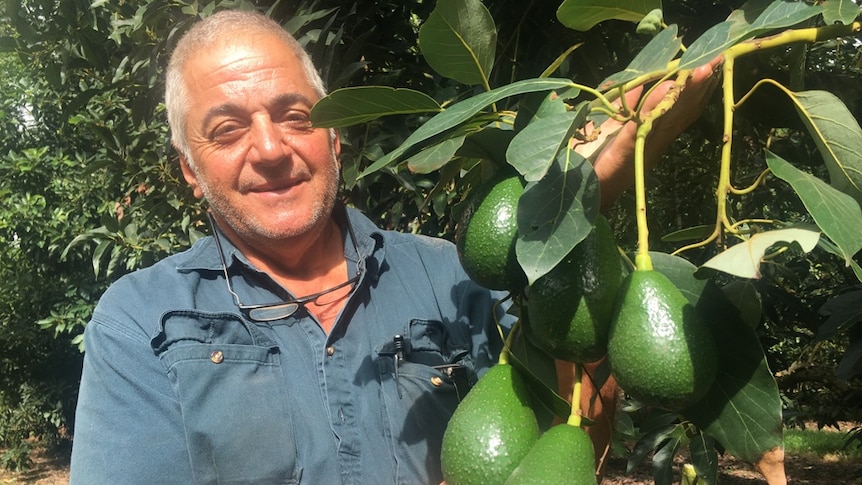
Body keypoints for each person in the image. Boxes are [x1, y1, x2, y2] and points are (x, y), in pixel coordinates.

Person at [68, 9, 720, 485]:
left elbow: (577, 427)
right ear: (190, 169)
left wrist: (576, 204)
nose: (269, 149)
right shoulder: (141, 318)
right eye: (227, 129)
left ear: (336, 139)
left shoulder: (456, 275)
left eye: (296, 116)